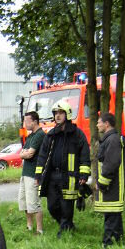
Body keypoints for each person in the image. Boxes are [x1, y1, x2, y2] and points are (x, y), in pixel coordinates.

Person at [35, 100, 90, 238]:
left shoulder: (77, 134)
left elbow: (84, 155)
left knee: (67, 206)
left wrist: (83, 175)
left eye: (61, 113)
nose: (57, 116)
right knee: (52, 206)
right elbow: (42, 155)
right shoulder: (51, 134)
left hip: (69, 177)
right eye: (55, 113)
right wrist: (38, 175)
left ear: (67, 114)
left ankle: (64, 230)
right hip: (53, 176)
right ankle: (66, 224)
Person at [94, 113, 125, 247]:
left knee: (110, 214)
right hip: (112, 184)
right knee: (114, 214)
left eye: (99, 122)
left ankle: (108, 244)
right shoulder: (110, 139)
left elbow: (111, 163)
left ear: (106, 124)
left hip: (112, 185)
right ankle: (118, 239)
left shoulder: (112, 140)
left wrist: (102, 182)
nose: (97, 125)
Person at [18, 111, 45, 234]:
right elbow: (22, 153)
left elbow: (29, 154)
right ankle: (29, 226)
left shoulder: (40, 135)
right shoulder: (30, 136)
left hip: (33, 174)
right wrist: (24, 154)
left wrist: (24, 154)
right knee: (24, 202)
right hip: (25, 174)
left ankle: (39, 230)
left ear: (34, 122)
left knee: (34, 202)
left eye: (27, 121)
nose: (25, 123)